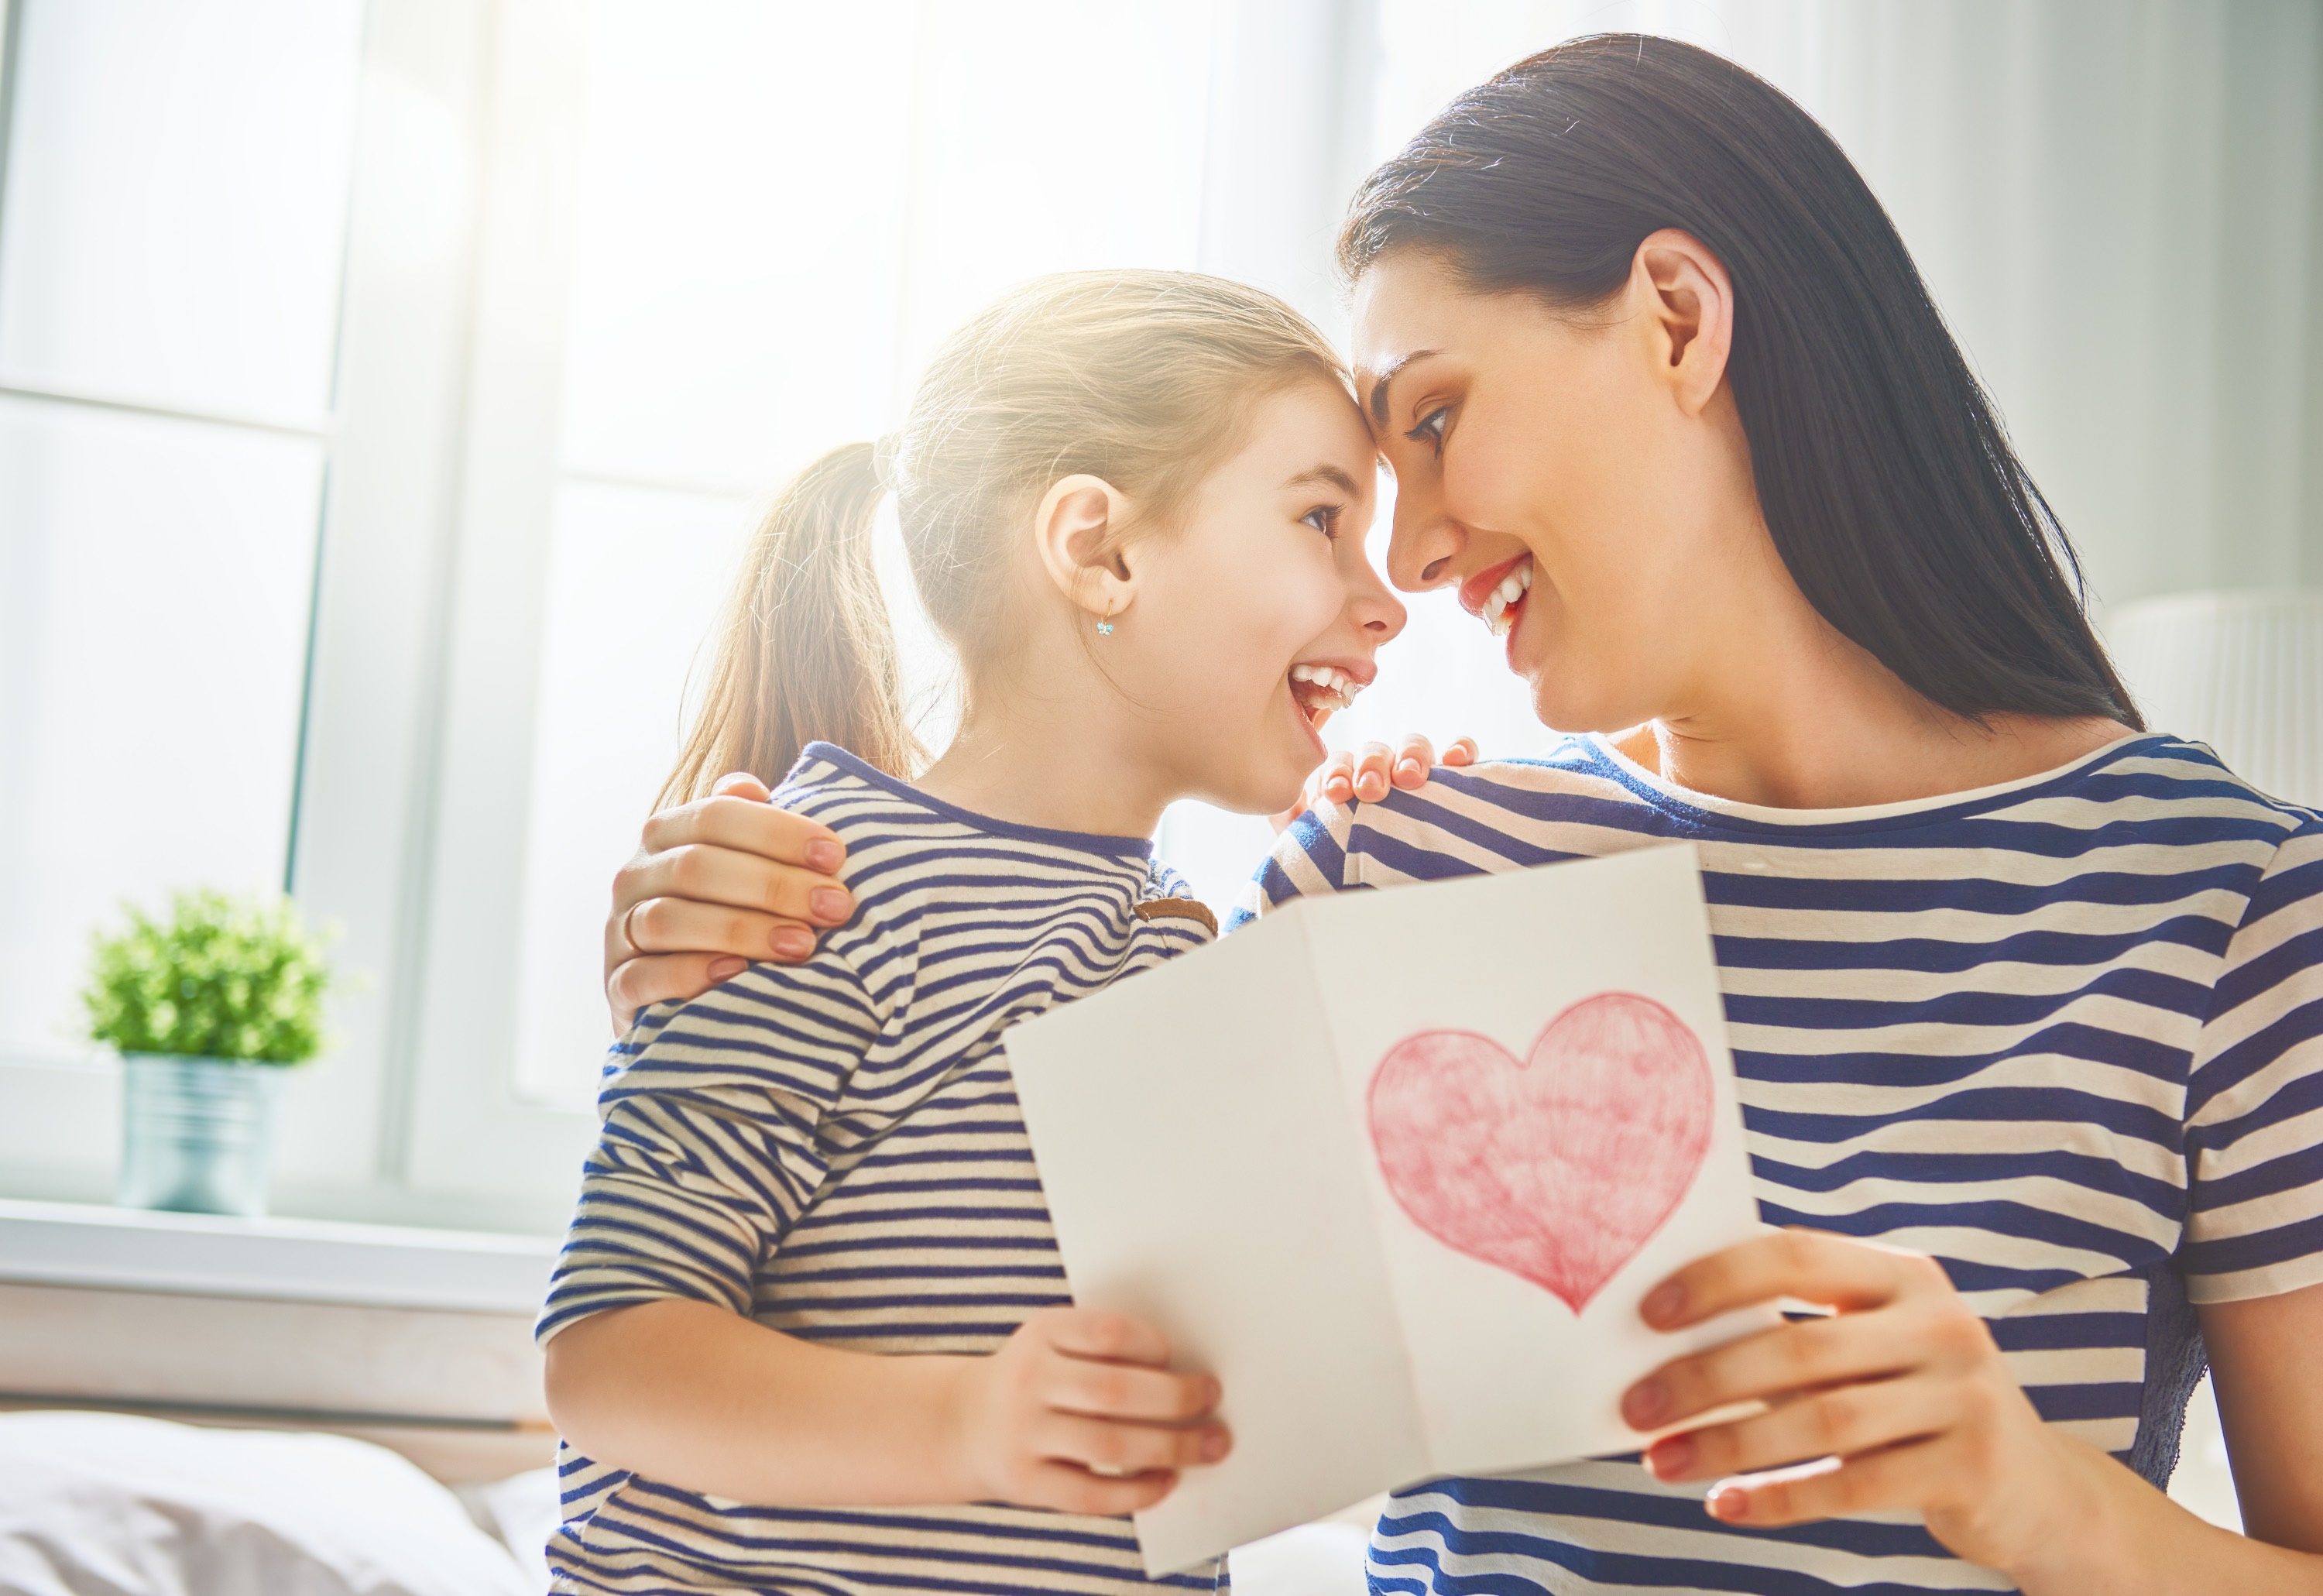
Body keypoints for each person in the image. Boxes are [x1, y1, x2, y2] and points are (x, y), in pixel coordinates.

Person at [600, 35, 2323, 1596]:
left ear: (1675, 316)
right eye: (1355, 494)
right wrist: (725, 944)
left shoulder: (2231, 903)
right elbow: (911, 1224)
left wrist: (2047, 1502)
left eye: (1435, 419)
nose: (1412, 561)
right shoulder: (1396, 863)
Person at [537, 269, 1429, 1594]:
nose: (1388, 600)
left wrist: (1402, 905)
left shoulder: (1180, 943)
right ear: (1099, 548)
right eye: (1320, 520)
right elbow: (608, 1358)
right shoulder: (812, 892)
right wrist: (968, 1424)